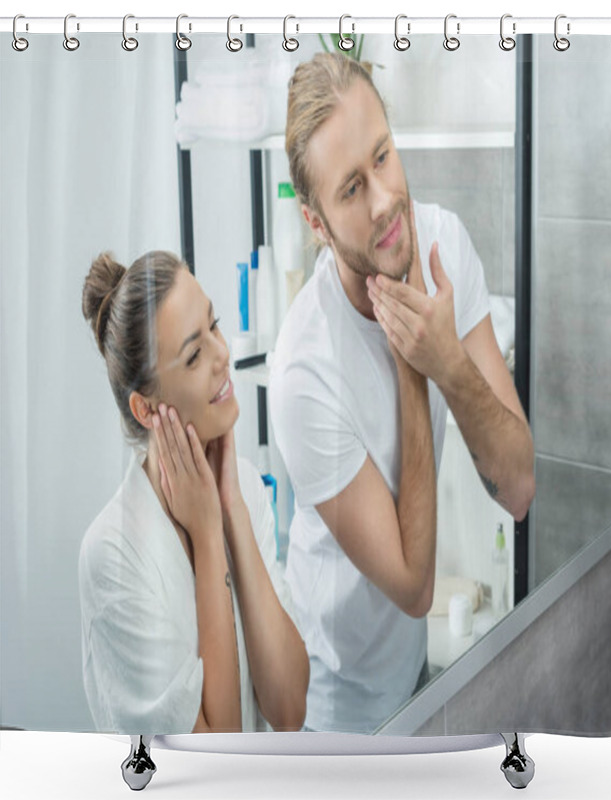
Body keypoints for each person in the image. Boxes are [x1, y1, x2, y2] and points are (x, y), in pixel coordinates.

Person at [269, 53, 536, 735]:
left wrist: (448, 359)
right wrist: (416, 363)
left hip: (412, 668)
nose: (386, 198)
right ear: (317, 224)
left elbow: (519, 486)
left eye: (383, 157)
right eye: (351, 188)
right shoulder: (305, 372)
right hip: (335, 700)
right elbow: (415, 587)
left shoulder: (443, 239)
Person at [79, 251, 308, 734]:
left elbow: (289, 710)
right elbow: (213, 763)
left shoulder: (241, 483)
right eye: (194, 355)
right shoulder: (114, 554)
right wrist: (207, 538)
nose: (222, 355)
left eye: (215, 326)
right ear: (145, 408)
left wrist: (233, 513)